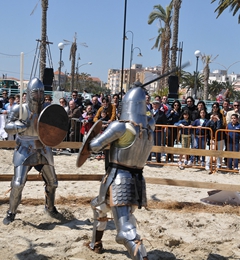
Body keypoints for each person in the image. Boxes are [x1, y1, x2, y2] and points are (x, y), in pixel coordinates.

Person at [82, 86, 154, 259]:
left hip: (119, 180)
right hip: (136, 180)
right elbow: (150, 119)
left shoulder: (120, 128)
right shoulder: (148, 129)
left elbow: (94, 146)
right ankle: (96, 243)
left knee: (125, 231)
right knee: (99, 207)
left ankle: (141, 257)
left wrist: (93, 135)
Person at [3, 78, 60, 225]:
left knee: (53, 183)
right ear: (29, 93)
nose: (39, 95)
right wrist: (19, 126)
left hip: (44, 148)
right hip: (25, 148)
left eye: (41, 92)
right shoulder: (19, 109)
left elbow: (56, 126)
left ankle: (50, 207)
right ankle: (11, 212)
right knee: (18, 183)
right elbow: (7, 126)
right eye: (36, 92)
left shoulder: (47, 108)